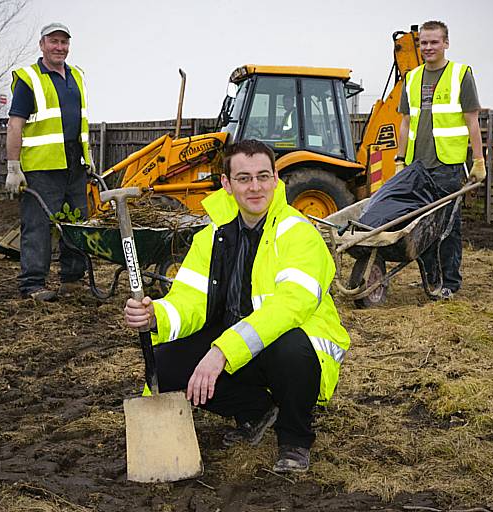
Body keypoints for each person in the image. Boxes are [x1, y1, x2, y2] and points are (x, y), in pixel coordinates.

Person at [124, 139, 350, 473]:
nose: (255, 187)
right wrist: (156, 314)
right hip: (235, 341)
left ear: (276, 179)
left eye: (263, 176)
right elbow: (190, 297)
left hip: (286, 345)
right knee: (166, 365)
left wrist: (222, 352)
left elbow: (289, 307)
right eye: (244, 178)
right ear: (227, 185)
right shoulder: (211, 237)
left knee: (290, 349)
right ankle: (255, 411)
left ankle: (294, 439)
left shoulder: (299, 233)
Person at [395, 20, 486, 300]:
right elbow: (405, 123)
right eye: (423, 42)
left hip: (447, 165)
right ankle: (431, 280)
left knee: (447, 227)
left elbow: (472, 122)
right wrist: (400, 160)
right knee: (421, 227)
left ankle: (450, 282)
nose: (428, 47)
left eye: (434, 42)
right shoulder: (411, 79)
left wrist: (479, 160)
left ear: (446, 43)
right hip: (417, 167)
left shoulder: (460, 75)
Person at [5, 22, 94, 301]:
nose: (59, 47)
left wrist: (87, 159)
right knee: (38, 225)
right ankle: (33, 285)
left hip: (73, 163)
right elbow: (14, 125)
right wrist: (13, 166)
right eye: (53, 42)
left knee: (77, 223)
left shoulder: (76, 76)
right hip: (42, 167)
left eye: (64, 42)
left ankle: (72, 280)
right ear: (42, 44)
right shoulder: (28, 78)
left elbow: (79, 122)